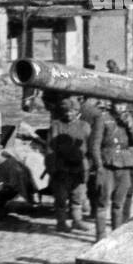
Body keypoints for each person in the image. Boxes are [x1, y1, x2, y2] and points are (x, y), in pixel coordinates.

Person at [90, 101, 133, 237]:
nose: (121, 108)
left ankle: (116, 235)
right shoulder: (102, 119)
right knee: (102, 203)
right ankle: (100, 236)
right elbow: (95, 145)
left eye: (124, 105)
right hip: (107, 165)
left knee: (118, 204)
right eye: (118, 105)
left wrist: (131, 126)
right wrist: (98, 166)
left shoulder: (128, 119)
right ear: (112, 105)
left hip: (125, 165)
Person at [46, 96, 91, 233]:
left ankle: (77, 221)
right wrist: (51, 167)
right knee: (61, 197)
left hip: (79, 167)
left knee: (78, 196)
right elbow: (50, 148)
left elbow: (90, 146)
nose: (68, 114)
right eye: (66, 111)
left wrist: (89, 166)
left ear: (77, 112)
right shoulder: (56, 125)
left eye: (72, 111)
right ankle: (61, 222)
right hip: (62, 167)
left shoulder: (84, 126)